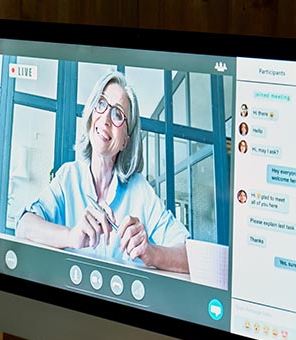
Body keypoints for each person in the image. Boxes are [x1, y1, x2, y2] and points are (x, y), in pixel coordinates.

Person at [16, 71, 189, 273]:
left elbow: (189, 255)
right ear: (91, 115)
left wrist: (152, 253)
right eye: (101, 104)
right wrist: (71, 236)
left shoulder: (141, 190)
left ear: (126, 140)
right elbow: (24, 227)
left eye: (117, 114)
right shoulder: (68, 177)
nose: (105, 119)